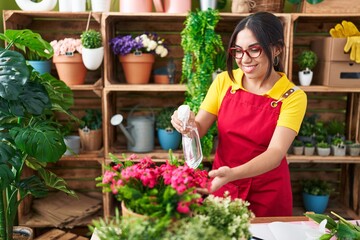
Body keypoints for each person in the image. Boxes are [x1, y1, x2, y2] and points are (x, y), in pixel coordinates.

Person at [171, 12, 307, 217]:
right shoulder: (224, 81)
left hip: (268, 192)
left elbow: (275, 153)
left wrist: (233, 173)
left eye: (254, 50)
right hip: (223, 183)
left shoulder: (292, 96)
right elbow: (199, 128)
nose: (244, 59)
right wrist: (186, 124)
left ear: (277, 49)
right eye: (238, 51)